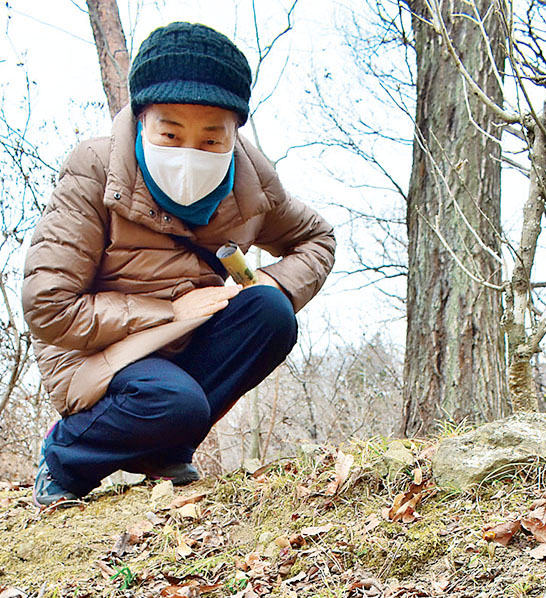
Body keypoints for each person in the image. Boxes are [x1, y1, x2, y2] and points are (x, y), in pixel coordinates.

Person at [23, 21, 335, 507]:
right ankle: (66, 453)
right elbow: (49, 307)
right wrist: (172, 312)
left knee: (272, 312)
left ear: (235, 132)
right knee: (173, 401)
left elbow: (316, 237)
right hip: (99, 354)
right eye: (170, 132)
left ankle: (163, 449)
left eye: (212, 139)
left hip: (184, 349)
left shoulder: (251, 186)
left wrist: (256, 284)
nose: (190, 152)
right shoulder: (93, 169)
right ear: (143, 118)